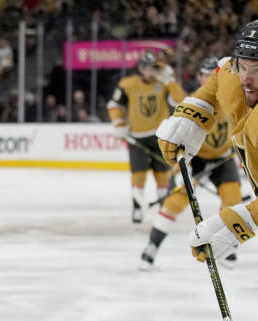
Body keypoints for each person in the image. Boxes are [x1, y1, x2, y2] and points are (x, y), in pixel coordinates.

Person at [156, 22, 258, 263]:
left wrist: (245, 221)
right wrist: (191, 116)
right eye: (242, 67)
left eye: (256, 70)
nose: (247, 80)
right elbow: (221, 73)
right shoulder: (233, 76)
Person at [139, 57, 244, 270]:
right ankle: (153, 245)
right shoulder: (198, 98)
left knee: (232, 198)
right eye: (205, 74)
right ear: (200, 78)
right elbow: (179, 103)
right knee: (176, 201)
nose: (209, 78)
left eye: (212, 74)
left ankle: (226, 245)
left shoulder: (235, 95)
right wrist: (169, 81)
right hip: (193, 158)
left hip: (222, 157)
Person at [107, 50, 185, 223]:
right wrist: (118, 123)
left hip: (160, 137)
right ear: (141, 68)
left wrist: (170, 80)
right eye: (148, 68)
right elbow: (114, 104)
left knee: (163, 176)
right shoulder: (128, 84)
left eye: (154, 68)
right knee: (138, 176)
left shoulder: (163, 84)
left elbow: (181, 100)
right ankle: (137, 208)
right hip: (137, 138)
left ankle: (164, 208)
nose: (151, 71)